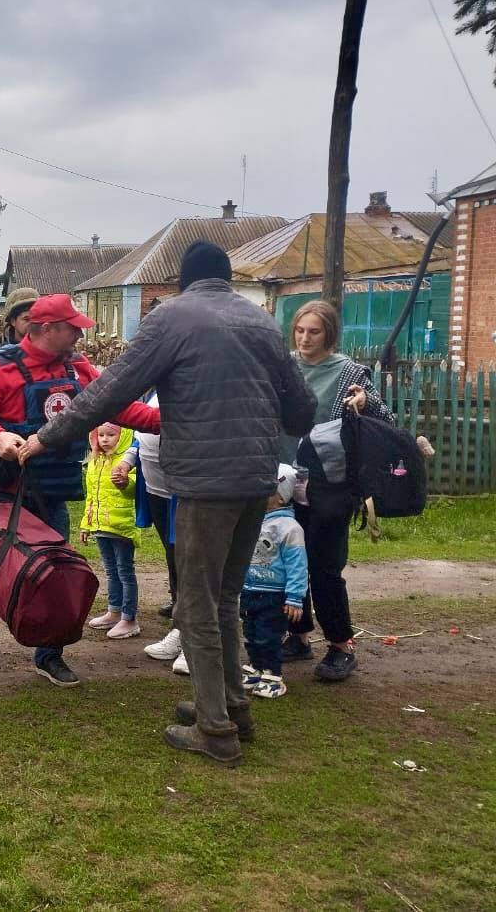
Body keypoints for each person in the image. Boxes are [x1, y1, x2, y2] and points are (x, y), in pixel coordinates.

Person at [18, 241, 314, 765]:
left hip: (204, 483)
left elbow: (109, 391)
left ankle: (215, 730)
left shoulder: (171, 318)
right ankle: (231, 706)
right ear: (227, 279)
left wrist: (45, 436)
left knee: (197, 603)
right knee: (223, 598)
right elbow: (302, 411)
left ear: (182, 281)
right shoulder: (264, 322)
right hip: (255, 481)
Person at [0, 293, 160, 687]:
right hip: (0, 491)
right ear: (47, 329)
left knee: (53, 576)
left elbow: (115, 407)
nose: (80, 335)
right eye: (73, 328)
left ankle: (49, 656)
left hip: (50, 492)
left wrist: (167, 420)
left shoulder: (78, 368)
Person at [282, 299, 395, 683]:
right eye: (300, 330)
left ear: (328, 334)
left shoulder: (349, 372)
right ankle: (298, 635)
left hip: (330, 483)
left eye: (313, 332)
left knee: (324, 567)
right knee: (287, 561)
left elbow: (386, 418)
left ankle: (341, 645)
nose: (305, 338)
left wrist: (365, 402)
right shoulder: (286, 367)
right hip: (284, 479)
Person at [113, 391, 187, 672]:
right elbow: (140, 433)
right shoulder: (155, 388)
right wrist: (128, 459)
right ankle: (180, 630)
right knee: (174, 558)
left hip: (189, 490)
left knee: (192, 563)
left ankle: (195, 641)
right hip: (158, 491)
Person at [239, 465, 307, 700]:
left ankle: (273, 674)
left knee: (268, 635)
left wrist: (295, 597)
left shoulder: (289, 528)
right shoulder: (253, 521)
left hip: (274, 594)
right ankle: (256, 667)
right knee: (251, 631)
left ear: (280, 496)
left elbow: (298, 565)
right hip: (250, 590)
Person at [81, 423, 142, 639]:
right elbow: (92, 495)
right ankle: (114, 611)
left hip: (122, 527)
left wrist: (125, 483)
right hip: (100, 526)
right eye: (101, 435)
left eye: (111, 435)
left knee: (125, 572)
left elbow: (134, 490)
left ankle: (129, 618)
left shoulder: (128, 462)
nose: (105, 439)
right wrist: (86, 524)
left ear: (123, 436)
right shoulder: (95, 461)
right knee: (110, 571)